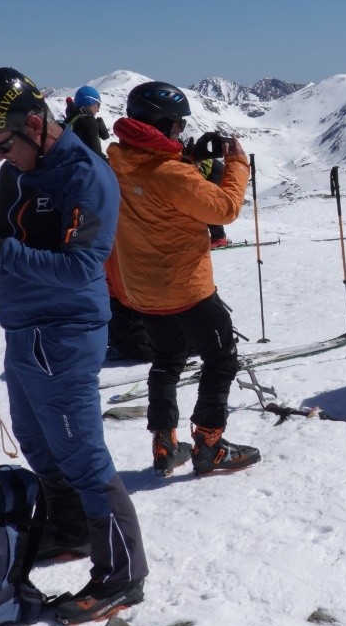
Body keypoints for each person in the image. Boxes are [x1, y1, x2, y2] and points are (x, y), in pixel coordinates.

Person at [0, 67, 146, 626]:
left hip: (67, 332)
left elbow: (80, 267)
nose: (0, 158)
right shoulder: (20, 171)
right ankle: (70, 531)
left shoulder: (86, 175)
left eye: (3, 146)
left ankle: (123, 575)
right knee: (36, 441)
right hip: (23, 329)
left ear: (33, 124)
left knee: (81, 452)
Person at [105, 81, 261, 477]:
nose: (181, 132)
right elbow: (223, 209)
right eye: (177, 125)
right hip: (186, 288)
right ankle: (210, 445)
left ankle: (165, 445)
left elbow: (157, 193)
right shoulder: (169, 172)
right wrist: (238, 165)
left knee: (166, 362)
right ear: (162, 123)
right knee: (221, 358)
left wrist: (184, 159)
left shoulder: (118, 161)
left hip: (143, 291)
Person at [64, 85, 110, 157]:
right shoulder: (88, 121)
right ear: (90, 102)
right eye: (98, 105)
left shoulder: (71, 118)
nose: (98, 110)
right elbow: (96, 155)